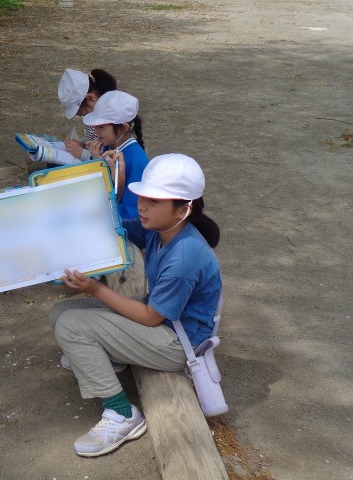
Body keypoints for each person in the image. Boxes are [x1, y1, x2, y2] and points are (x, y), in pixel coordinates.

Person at [48, 153, 222, 457]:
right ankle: (112, 356)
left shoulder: (185, 257)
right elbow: (114, 227)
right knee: (60, 312)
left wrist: (95, 289)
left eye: (154, 201)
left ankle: (122, 414)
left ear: (183, 208)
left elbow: (151, 317)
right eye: (142, 197)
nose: (142, 206)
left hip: (176, 343)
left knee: (71, 326)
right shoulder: (161, 229)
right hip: (163, 323)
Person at [83, 90, 148, 220]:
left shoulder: (135, 161)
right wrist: (96, 158)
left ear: (123, 128)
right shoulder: (110, 145)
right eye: (95, 126)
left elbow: (132, 213)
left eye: (101, 127)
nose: (95, 131)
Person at [57, 68, 117, 161]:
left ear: (90, 98)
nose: (77, 114)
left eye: (78, 110)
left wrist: (81, 153)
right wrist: (82, 143)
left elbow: (110, 159)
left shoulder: (110, 120)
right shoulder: (93, 115)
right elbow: (92, 137)